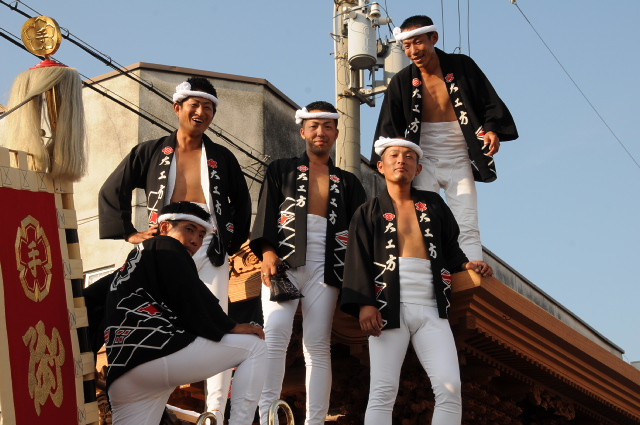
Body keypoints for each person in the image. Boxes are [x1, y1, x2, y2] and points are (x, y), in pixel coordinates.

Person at [98, 77, 251, 418]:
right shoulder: (151, 151)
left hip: (209, 243)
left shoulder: (222, 156)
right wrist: (129, 233)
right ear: (177, 107)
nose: (201, 112)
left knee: (217, 318)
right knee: (160, 314)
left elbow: (242, 202)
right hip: (166, 244)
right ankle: (158, 393)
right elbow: (112, 189)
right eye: (195, 105)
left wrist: (231, 244)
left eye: (208, 107)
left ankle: (215, 411)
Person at [341, 137, 494, 425]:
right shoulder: (368, 211)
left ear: (419, 168)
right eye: (395, 155)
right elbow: (357, 258)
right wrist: (364, 304)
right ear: (381, 166)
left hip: (432, 307)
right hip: (387, 306)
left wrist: (466, 264)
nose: (402, 160)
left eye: (409, 157)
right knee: (383, 390)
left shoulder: (433, 204)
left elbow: (450, 248)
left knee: (450, 387)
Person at [89, 201, 266, 425]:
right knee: (254, 347)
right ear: (164, 227)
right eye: (189, 229)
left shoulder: (126, 269)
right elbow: (189, 295)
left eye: (201, 235)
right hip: (156, 354)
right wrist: (229, 326)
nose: (195, 241)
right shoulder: (166, 245)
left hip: (123, 374)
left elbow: (87, 300)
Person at [249, 101, 367, 425]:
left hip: (327, 266)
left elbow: (361, 235)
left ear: (337, 133)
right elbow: (266, 212)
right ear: (303, 131)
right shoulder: (281, 170)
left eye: (327, 126)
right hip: (284, 261)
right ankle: (268, 417)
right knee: (275, 332)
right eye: (314, 126)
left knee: (317, 343)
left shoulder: (348, 182)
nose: (320, 132)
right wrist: (267, 252)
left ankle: (315, 421)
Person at [373, 15, 518, 262]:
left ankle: (471, 270)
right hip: (422, 158)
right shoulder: (402, 81)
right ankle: (426, 269)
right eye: (407, 45)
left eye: (418, 42)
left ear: (434, 38)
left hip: (459, 155)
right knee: (421, 217)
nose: (413, 50)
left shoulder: (462, 66)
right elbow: (390, 129)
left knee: (467, 219)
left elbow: (487, 102)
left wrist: (492, 129)